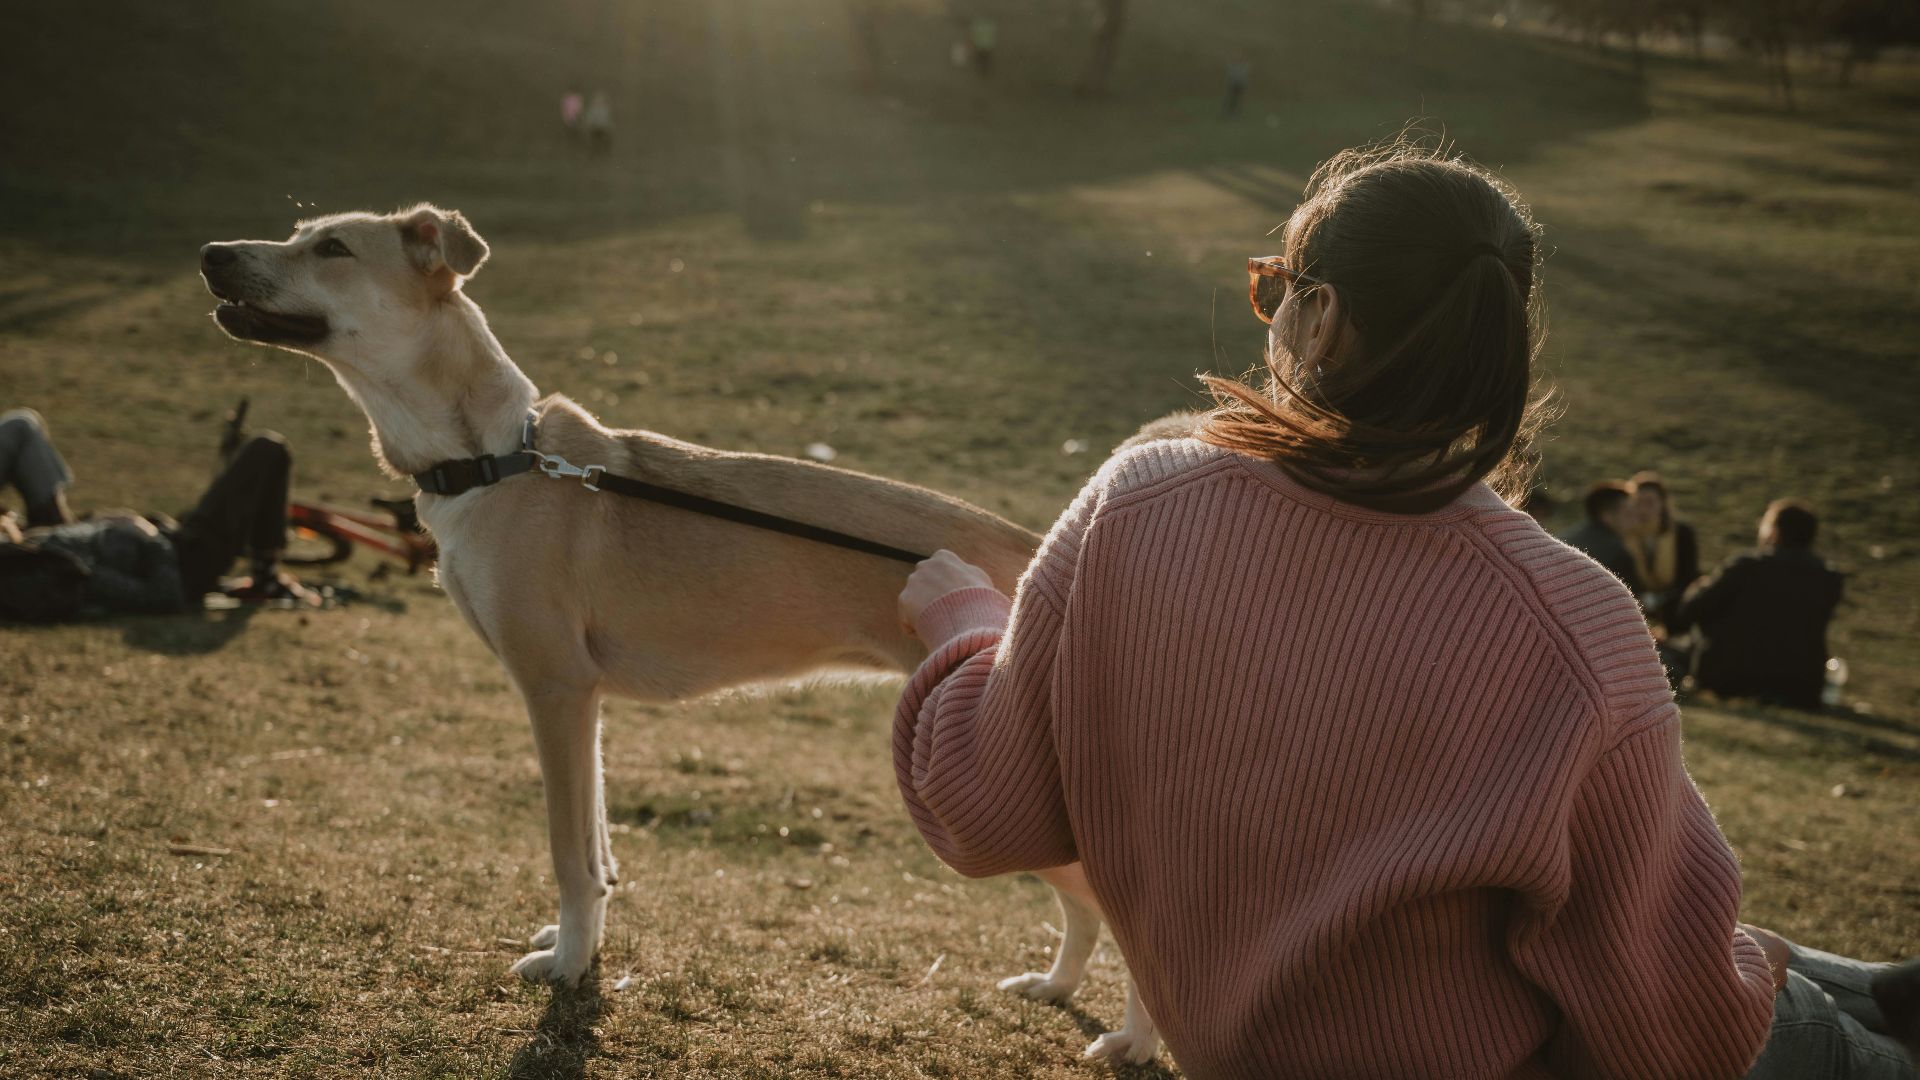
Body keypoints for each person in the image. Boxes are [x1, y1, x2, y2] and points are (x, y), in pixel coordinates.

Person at [889, 141, 1917, 1077]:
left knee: (1837, 987)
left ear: (1322, 315)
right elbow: (1670, 1035)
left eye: (1270, 289)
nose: (1268, 311)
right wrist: (1743, 973)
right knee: (1818, 1003)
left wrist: (965, 626)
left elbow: (984, 811)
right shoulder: (1576, 623)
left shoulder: (1133, 501)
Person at [0, 406, 317, 618]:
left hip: (167, 538)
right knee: (268, 449)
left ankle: (265, 573)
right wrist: (147, 535)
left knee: (21, 426)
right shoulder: (53, 567)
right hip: (187, 558)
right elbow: (163, 596)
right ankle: (266, 577)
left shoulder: (35, 544)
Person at [1672, 498, 1844, 711]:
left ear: (1774, 532)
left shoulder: (1747, 567)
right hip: (1800, 687)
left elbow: (1690, 610)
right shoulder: (1829, 578)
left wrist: (1699, 586)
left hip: (1730, 678)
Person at [1628, 470, 1701, 626]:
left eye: (1649, 503)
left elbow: (1689, 576)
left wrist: (1663, 599)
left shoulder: (1681, 533)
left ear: (1662, 503)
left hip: (1674, 607)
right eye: (1638, 502)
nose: (1643, 509)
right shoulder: (1625, 534)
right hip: (1634, 606)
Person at [1556, 479, 1645, 594]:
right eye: (1628, 513)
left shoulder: (1563, 539)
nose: (1634, 520)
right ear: (1607, 516)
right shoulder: (1617, 553)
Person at [582, 90, 612, 156]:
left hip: (602, 129)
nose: (599, 101)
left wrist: (608, 128)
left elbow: (607, 121)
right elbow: (589, 119)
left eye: (601, 100)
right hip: (594, 129)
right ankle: (593, 152)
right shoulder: (592, 110)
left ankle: (604, 152)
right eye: (597, 100)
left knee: (606, 139)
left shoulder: (605, 109)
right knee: (594, 140)